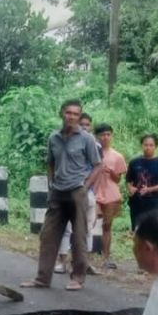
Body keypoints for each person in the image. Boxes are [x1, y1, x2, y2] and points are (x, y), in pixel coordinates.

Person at [23, 100, 101, 292]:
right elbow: (50, 162)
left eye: (76, 114)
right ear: (61, 113)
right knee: (48, 235)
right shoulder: (53, 138)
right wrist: (51, 184)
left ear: (79, 116)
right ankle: (42, 278)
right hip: (58, 192)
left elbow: (98, 165)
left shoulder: (86, 139)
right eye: (68, 113)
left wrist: (85, 185)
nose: (71, 117)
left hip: (77, 191)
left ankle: (78, 277)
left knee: (78, 236)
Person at [57, 113, 99, 276]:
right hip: (70, 191)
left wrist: (92, 190)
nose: (84, 127)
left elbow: (99, 168)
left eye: (88, 124)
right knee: (67, 228)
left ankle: (83, 263)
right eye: (82, 124)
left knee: (87, 229)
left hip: (88, 193)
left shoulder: (95, 145)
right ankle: (62, 261)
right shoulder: (65, 142)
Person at [89, 123, 128, 270]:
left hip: (111, 194)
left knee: (107, 225)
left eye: (108, 134)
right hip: (94, 192)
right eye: (102, 135)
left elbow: (118, 179)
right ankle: (87, 257)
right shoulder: (91, 152)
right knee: (90, 223)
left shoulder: (117, 156)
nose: (105, 138)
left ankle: (106, 257)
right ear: (96, 136)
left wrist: (110, 172)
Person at [127, 134, 158, 231]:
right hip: (137, 203)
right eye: (145, 145)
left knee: (157, 230)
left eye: (151, 145)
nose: (148, 147)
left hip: (156, 203)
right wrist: (130, 188)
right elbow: (128, 180)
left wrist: (149, 189)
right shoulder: (134, 162)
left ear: (156, 146)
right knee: (138, 231)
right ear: (141, 145)